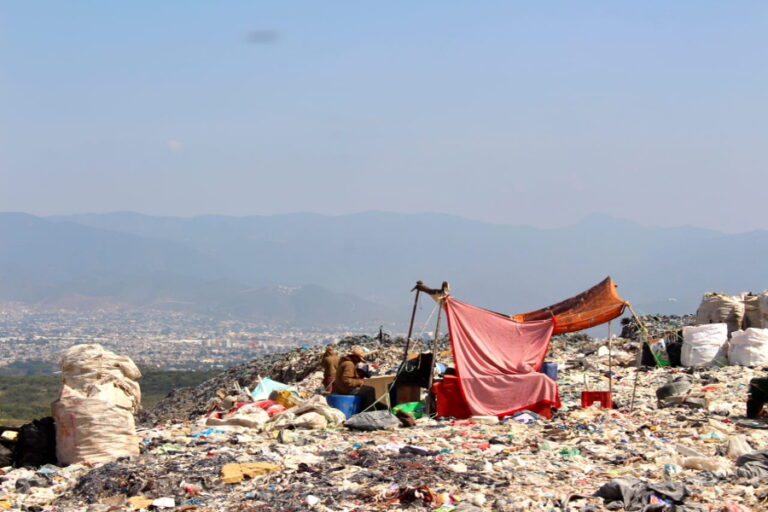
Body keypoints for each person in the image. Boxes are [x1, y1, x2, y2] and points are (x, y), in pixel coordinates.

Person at [333, 346, 377, 411]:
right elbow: (346, 381)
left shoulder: (345, 363)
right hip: (345, 390)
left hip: (340, 388)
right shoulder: (349, 364)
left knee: (366, 390)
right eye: (359, 359)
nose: (359, 361)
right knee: (369, 390)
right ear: (355, 357)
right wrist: (360, 382)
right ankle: (368, 411)